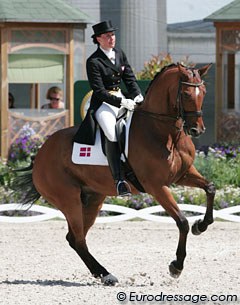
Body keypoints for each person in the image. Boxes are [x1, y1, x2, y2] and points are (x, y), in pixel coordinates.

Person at [75, 20, 144, 196]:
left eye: (112, 35)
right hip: (103, 102)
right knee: (111, 133)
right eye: (107, 36)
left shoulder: (120, 53)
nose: (111, 38)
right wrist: (121, 103)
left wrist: (136, 94)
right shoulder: (93, 61)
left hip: (122, 96)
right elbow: (98, 91)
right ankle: (119, 180)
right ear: (98, 39)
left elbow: (129, 78)